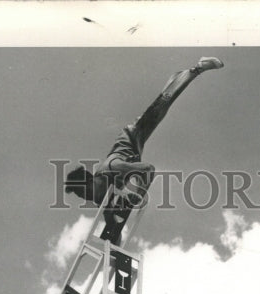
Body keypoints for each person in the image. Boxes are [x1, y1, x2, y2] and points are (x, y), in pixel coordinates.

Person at [65, 57, 224, 241]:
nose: (91, 199)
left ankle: (195, 69)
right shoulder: (100, 197)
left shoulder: (112, 167)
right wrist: (113, 252)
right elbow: (112, 227)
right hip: (134, 150)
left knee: (162, 105)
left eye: (88, 193)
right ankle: (174, 80)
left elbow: (148, 169)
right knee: (162, 102)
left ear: (92, 181)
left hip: (133, 135)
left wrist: (139, 194)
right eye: (86, 197)